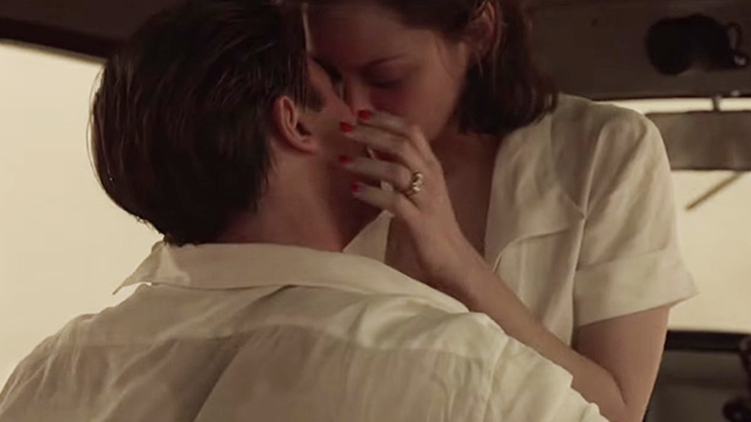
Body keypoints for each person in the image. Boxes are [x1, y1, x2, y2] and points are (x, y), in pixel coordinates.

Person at [0, 1, 608, 421]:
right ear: (294, 123)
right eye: (336, 90)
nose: (364, 111)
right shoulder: (474, 371)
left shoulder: (51, 368)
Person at [293, 0, 699, 421]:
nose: (355, 107)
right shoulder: (314, 166)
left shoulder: (604, 150)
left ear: (479, 32)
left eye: (385, 78)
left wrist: (457, 262)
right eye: (333, 79)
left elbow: (618, 413)